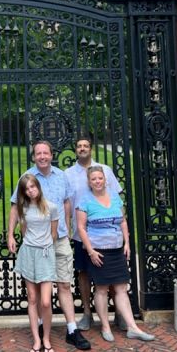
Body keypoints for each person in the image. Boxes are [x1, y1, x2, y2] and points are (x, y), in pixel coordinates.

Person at [8, 140, 91, 351]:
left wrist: (69, 226)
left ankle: (72, 329)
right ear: (34, 157)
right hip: (36, 245)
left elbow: (66, 202)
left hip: (60, 238)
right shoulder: (27, 177)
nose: (42, 156)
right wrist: (11, 234)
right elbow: (15, 207)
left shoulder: (61, 176)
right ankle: (41, 328)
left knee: (64, 284)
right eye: (38, 153)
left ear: (51, 155)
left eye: (46, 153)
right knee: (36, 291)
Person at [76, 165, 155, 343]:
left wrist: (127, 243)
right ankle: (105, 326)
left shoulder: (114, 197)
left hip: (117, 249)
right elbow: (81, 228)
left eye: (100, 178)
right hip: (98, 252)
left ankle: (133, 327)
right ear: (89, 182)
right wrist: (90, 250)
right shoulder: (84, 200)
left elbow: (123, 221)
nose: (97, 181)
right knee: (102, 289)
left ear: (105, 179)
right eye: (93, 179)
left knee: (121, 288)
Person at [64, 135, 122, 330]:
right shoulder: (68, 174)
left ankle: (119, 313)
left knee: (111, 273)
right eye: (79, 146)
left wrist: (123, 226)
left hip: (107, 233)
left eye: (85, 146)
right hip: (81, 234)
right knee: (83, 272)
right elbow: (66, 203)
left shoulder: (104, 170)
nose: (82, 149)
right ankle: (87, 313)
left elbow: (117, 199)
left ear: (91, 148)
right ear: (75, 150)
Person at [12, 173, 59, 352]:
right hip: (28, 253)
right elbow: (24, 231)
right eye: (27, 189)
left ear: (38, 186)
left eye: (33, 186)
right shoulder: (23, 209)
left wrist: (45, 246)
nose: (31, 191)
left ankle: (47, 338)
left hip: (45, 254)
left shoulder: (51, 207)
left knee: (46, 301)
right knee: (32, 298)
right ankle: (37, 340)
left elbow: (54, 233)